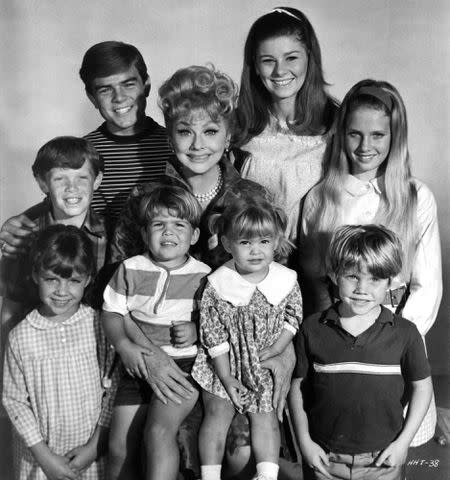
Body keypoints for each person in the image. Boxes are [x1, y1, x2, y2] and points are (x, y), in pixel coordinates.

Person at [111, 65, 297, 478]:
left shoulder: (252, 199)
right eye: (184, 131)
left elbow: (278, 292)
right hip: (163, 355)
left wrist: (281, 352)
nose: (197, 145)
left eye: (210, 132)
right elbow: (116, 295)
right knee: (132, 451)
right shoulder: (143, 200)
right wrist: (149, 355)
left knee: (241, 453)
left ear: (229, 136)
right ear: (169, 134)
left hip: (231, 357)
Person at [298, 79, 442, 445]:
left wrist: (395, 342)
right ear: (341, 134)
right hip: (336, 341)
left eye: (378, 135)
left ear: (396, 137)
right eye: (355, 134)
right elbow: (314, 281)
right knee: (337, 444)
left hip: (397, 341)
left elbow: (428, 285)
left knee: (392, 447)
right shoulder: (320, 198)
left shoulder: (415, 196)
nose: (366, 147)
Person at [289, 225, 433, 480]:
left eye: (375, 279)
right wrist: (305, 443)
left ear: (391, 281)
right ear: (334, 275)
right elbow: (297, 389)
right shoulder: (312, 329)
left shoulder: (406, 334)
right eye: (353, 276)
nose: (362, 288)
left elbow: (422, 387)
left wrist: (403, 444)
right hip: (324, 458)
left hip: (382, 460)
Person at [0, 40, 171, 251]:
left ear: (146, 86)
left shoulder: (175, 147)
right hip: (98, 271)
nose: (119, 98)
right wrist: (22, 220)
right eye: (105, 90)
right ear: (92, 98)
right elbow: (58, 202)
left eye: (128, 84)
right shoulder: (83, 154)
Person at [102, 184, 211, 480]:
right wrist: (124, 345)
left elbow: (216, 323)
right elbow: (112, 311)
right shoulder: (130, 268)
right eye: (158, 224)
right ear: (143, 233)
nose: (169, 232)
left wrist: (197, 330)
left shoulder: (204, 276)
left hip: (184, 369)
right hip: (135, 368)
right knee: (119, 447)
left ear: (194, 235)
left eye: (179, 225)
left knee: (158, 432)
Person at [191, 197, 303, 480]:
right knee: (217, 414)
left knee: (266, 416)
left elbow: (293, 317)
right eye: (245, 243)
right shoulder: (218, 284)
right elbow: (213, 334)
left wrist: (277, 349)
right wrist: (227, 378)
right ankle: (210, 475)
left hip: (262, 363)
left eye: (264, 242)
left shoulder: (286, 279)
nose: (256, 251)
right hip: (224, 364)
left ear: (276, 242)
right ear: (227, 244)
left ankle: (267, 475)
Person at [2, 225, 113, 480]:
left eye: (74, 280)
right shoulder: (21, 336)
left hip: (91, 457)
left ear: (88, 279)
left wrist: (95, 445)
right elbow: (14, 400)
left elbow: (112, 386)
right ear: (35, 275)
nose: (62, 291)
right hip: (41, 463)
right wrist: (44, 457)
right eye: (52, 279)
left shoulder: (98, 325)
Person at [235, 6, 338, 240]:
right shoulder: (237, 127)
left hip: (321, 262)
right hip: (253, 264)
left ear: (309, 58)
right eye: (268, 60)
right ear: (255, 65)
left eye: (291, 58)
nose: (280, 71)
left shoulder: (336, 125)